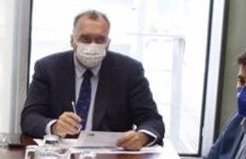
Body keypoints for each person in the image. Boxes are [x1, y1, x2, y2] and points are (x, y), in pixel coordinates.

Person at [19, 10, 165, 148]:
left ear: (108, 43)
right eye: (85, 39)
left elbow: (152, 120)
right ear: (72, 41)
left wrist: (142, 137)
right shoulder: (48, 68)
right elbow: (29, 117)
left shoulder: (129, 71)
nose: (92, 46)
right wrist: (55, 126)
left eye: (100, 39)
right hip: (60, 156)